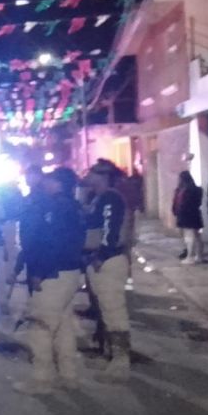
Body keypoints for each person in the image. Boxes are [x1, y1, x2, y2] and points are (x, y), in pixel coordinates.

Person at [13, 168, 85, 395]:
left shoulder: (55, 208)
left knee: (41, 326)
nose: (45, 183)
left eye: (50, 180)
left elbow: (50, 243)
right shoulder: (74, 206)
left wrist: (39, 272)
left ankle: (42, 379)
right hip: (70, 272)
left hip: (53, 274)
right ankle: (68, 375)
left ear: (58, 183)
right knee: (63, 326)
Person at [84, 162, 132, 381]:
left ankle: (121, 362)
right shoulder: (98, 198)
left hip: (108, 261)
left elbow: (110, 230)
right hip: (99, 260)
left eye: (92, 172)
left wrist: (101, 255)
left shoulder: (111, 198)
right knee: (105, 310)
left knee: (114, 312)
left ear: (103, 176)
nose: (88, 175)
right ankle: (110, 354)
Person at [173, 171, 204, 265]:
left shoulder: (188, 190)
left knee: (190, 237)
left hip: (187, 216)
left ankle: (190, 256)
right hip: (192, 215)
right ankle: (198, 256)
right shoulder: (195, 189)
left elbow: (185, 203)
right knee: (196, 236)